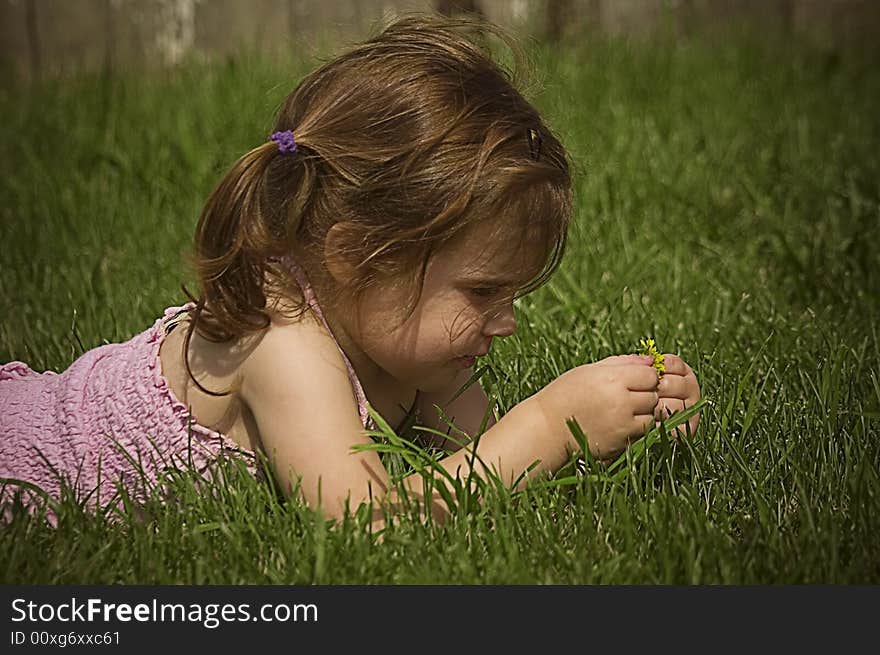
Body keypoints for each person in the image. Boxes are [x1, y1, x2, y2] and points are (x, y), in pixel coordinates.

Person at [0, 15, 701, 524]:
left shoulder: (403, 341)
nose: (508, 320)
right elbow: (369, 529)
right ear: (358, 255)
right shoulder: (285, 346)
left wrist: (623, 421)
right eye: (484, 290)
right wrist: (552, 422)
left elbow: (476, 460)